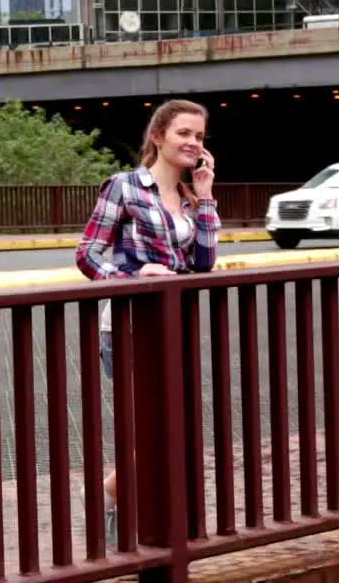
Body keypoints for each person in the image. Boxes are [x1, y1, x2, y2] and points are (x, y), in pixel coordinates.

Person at [74, 98, 221, 546]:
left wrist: (208, 193)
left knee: (169, 430)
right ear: (157, 137)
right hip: (126, 328)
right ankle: (122, 512)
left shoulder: (191, 197)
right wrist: (131, 276)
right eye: (183, 133)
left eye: (199, 136)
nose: (193, 142)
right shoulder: (123, 187)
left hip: (171, 326)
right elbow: (87, 255)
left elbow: (204, 261)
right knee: (150, 431)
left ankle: (117, 501)